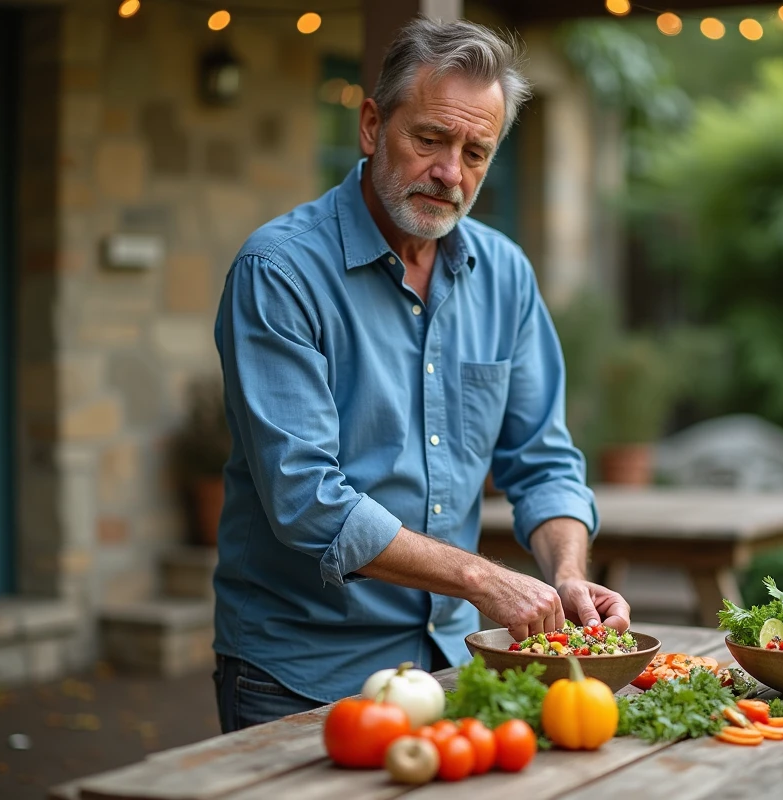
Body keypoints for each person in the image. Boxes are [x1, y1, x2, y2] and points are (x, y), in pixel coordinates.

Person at [210, 16, 629, 733]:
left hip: (452, 663)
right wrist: (482, 578)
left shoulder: (505, 275)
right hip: (301, 671)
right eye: (430, 139)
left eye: (476, 151)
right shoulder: (278, 271)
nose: (450, 173)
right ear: (373, 125)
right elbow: (306, 499)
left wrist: (566, 573)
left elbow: (544, 461)